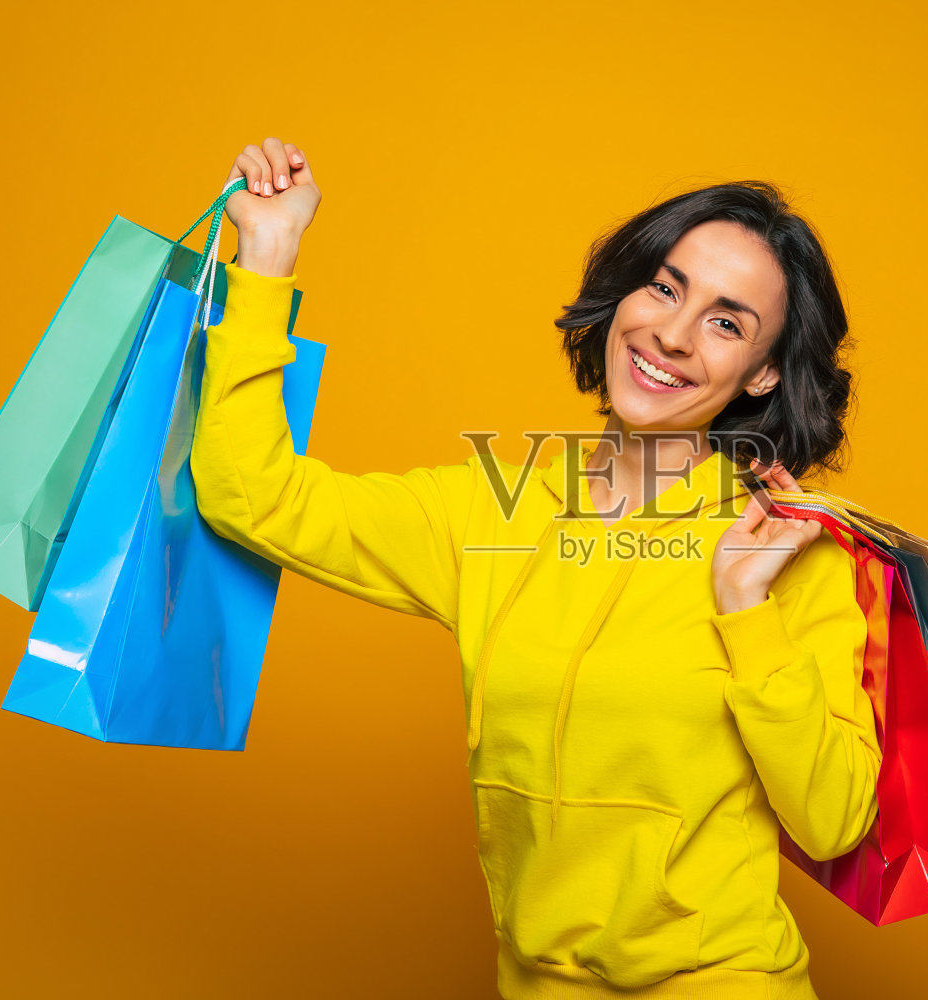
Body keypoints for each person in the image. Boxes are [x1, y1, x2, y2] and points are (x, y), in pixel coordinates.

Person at [191, 136, 882, 999]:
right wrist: (266, 257)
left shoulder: (781, 549)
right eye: (665, 287)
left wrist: (747, 609)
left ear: (763, 372)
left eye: (726, 322)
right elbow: (252, 497)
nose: (671, 334)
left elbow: (833, 821)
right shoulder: (491, 513)